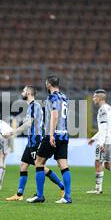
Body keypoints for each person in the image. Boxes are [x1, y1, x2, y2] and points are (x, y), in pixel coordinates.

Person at [5, 85, 65, 201]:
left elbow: (28, 124)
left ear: (28, 92)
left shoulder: (34, 106)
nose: (22, 92)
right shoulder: (32, 106)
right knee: (23, 165)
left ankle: (62, 186)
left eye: (23, 91)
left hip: (35, 140)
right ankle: (19, 194)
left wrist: (13, 132)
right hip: (31, 141)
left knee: (41, 167)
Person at [27, 74, 72, 204]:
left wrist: (51, 134)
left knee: (39, 163)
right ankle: (67, 197)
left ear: (49, 84)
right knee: (63, 165)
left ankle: (40, 196)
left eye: (46, 83)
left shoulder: (51, 97)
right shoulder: (64, 97)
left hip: (52, 135)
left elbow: (55, 116)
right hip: (64, 134)